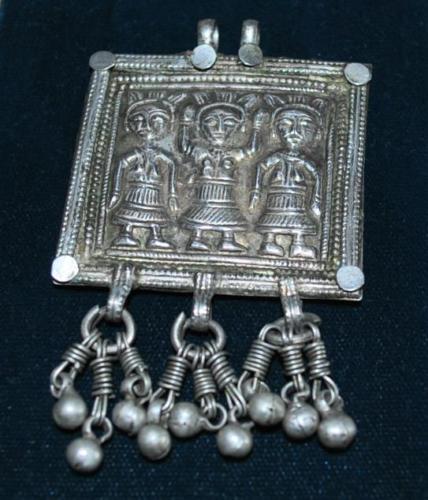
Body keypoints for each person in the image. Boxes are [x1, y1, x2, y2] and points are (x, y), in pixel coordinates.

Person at [179, 100, 267, 252]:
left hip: (225, 193)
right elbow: (184, 146)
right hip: (205, 193)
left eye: (229, 123)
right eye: (211, 122)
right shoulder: (200, 151)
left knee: (227, 216)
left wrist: (256, 127)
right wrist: (185, 123)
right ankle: (196, 239)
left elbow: (252, 150)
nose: (220, 129)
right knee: (201, 213)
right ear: (200, 126)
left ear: (238, 128)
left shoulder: (233, 153)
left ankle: (227, 241)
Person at [250, 104, 322, 258]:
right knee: (273, 216)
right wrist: (255, 190)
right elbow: (261, 166)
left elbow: (316, 175)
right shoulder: (278, 157)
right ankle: (268, 242)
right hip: (277, 194)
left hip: (297, 196)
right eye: (286, 124)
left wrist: (316, 199)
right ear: (276, 131)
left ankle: (298, 245)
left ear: (316, 133)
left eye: (305, 126)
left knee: (297, 218)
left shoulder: (304, 160)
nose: (295, 132)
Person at [109, 99, 178, 249]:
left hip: (154, 190)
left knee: (155, 212)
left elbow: (172, 164)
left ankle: (155, 237)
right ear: (130, 125)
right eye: (139, 120)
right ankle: (125, 234)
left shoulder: (160, 154)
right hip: (136, 188)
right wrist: (115, 193)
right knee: (131, 210)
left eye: (156, 121)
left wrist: (172, 195)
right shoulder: (136, 153)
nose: (147, 126)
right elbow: (121, 164)